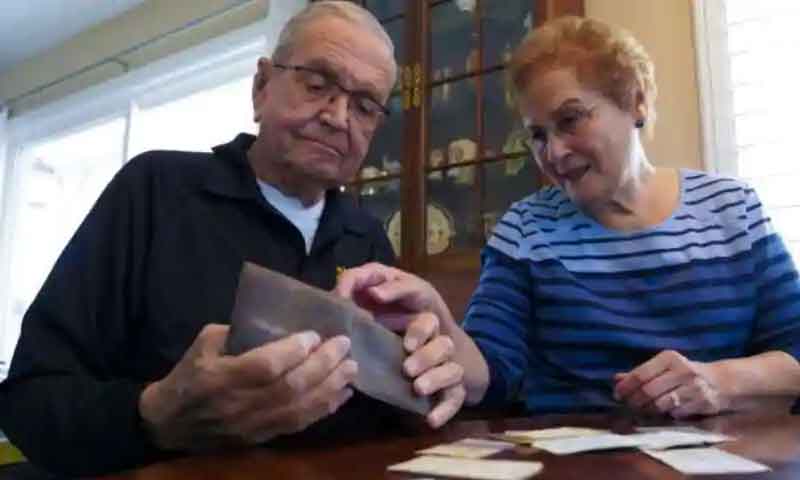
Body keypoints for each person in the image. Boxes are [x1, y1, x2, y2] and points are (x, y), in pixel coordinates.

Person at [0, 2, 464, 476]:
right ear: (262, 86)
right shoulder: (155, 191)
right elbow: (29, 400)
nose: (338, 117)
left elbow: (391, 410)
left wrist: (424, 389)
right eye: (317, 84)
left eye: (364, 106)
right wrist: (155, 414)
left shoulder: (366, 239)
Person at [336, 16, 800, 422]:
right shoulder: (525, 230)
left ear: (636, 101)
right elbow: (492, 372)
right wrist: (443, 326)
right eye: (538, 135)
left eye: (571, 120)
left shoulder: (733, 208)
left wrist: (721, 381)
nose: (554, 153)